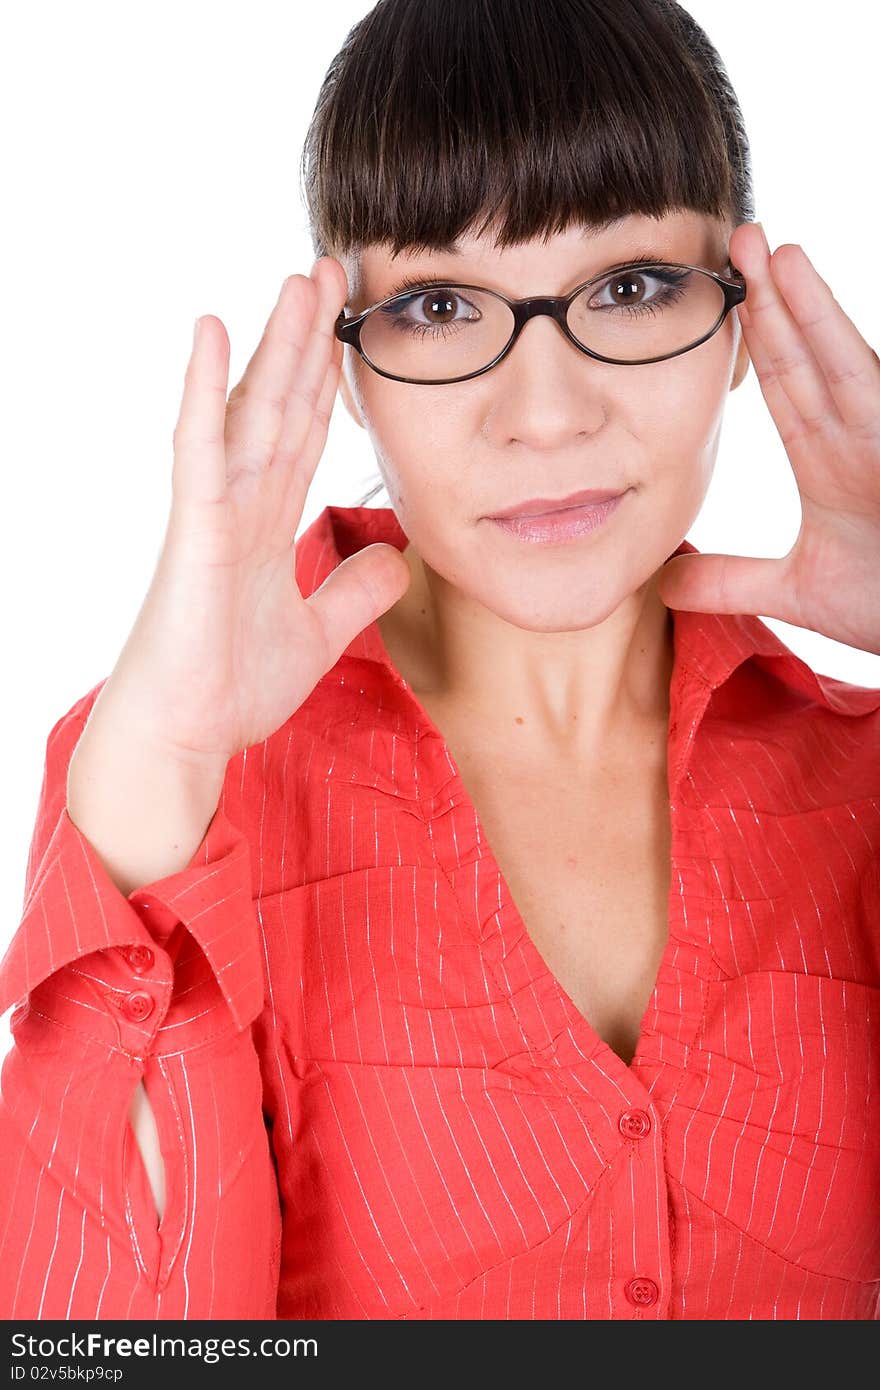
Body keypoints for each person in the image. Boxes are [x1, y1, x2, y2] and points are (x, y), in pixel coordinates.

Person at [1, 0, 879, 1322]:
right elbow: (109, 1345)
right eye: (439, 304)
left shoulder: (858, 774)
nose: (545, 413)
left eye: (632, 287)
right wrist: (162, 768)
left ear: (744, 315)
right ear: (348, 359)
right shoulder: (174, 787)